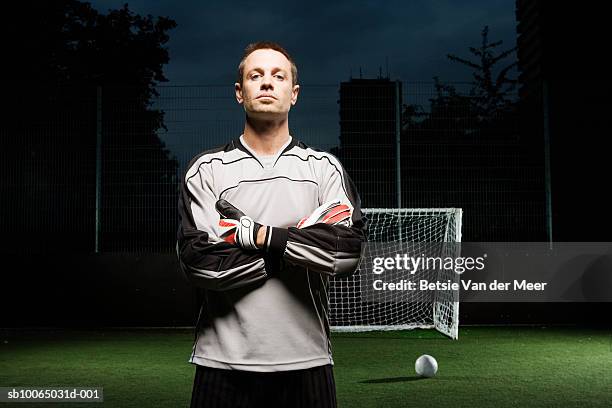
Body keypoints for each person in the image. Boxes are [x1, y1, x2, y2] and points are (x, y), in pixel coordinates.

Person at [177, 41, 366, 408]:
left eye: (278, 76)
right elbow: (200, 261)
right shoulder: (207, 170)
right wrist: (297, 246)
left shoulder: (323, 169)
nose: (267, 83)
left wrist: (257, 235)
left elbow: (345, 251)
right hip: (222, 362)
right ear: (239, 92)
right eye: (255, 75)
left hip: (307, 361)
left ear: (293, 94)